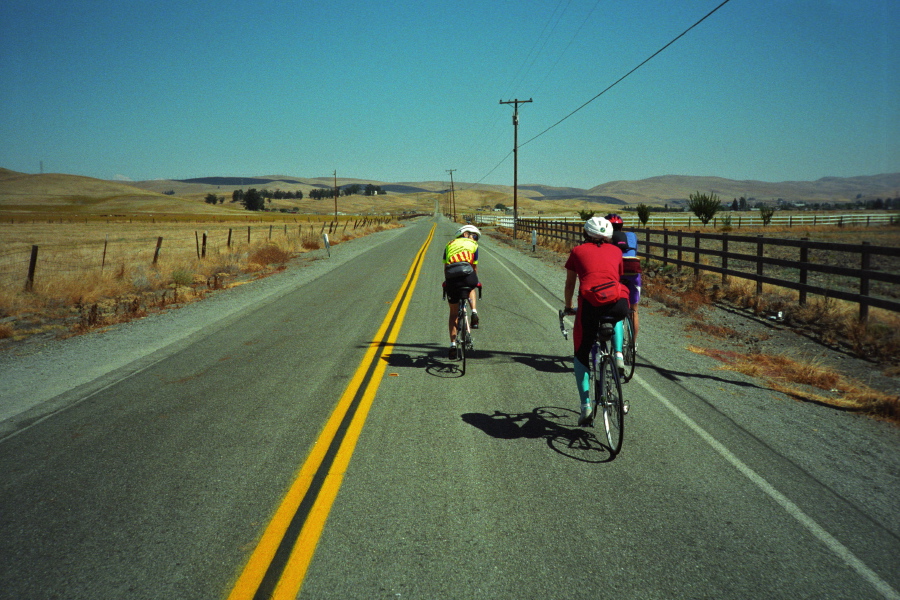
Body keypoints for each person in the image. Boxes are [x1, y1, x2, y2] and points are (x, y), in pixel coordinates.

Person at [563, 216, 630, 426]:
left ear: (585, 234)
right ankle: (618, 355)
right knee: (616, 312)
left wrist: (568, 306)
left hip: (590, 305)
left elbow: (570, 284)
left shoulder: (577, 251)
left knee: (581, 354)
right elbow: (615, 279)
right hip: (618, 302)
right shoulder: (617, 251)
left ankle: (586, 406)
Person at [606, 214, 642, 367]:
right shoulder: (632, 236)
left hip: (616, 273)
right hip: (633, 274)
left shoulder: (606, 239)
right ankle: (633, 345)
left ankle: (616, 346)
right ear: (621, 226)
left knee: (613, 305)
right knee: (633, 310)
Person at [444, 224, 481, 359]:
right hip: (467, 275)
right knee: (471, 286)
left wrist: (447, 282)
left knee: (453, 313)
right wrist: (476, 281)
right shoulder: (474, 245)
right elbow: (474, 266)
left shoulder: (449, 244)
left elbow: (446, 265)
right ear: (466, 234)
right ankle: (474, 312)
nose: (476, 239)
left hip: (451, 277)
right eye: (475, 236)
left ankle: (453, 344)